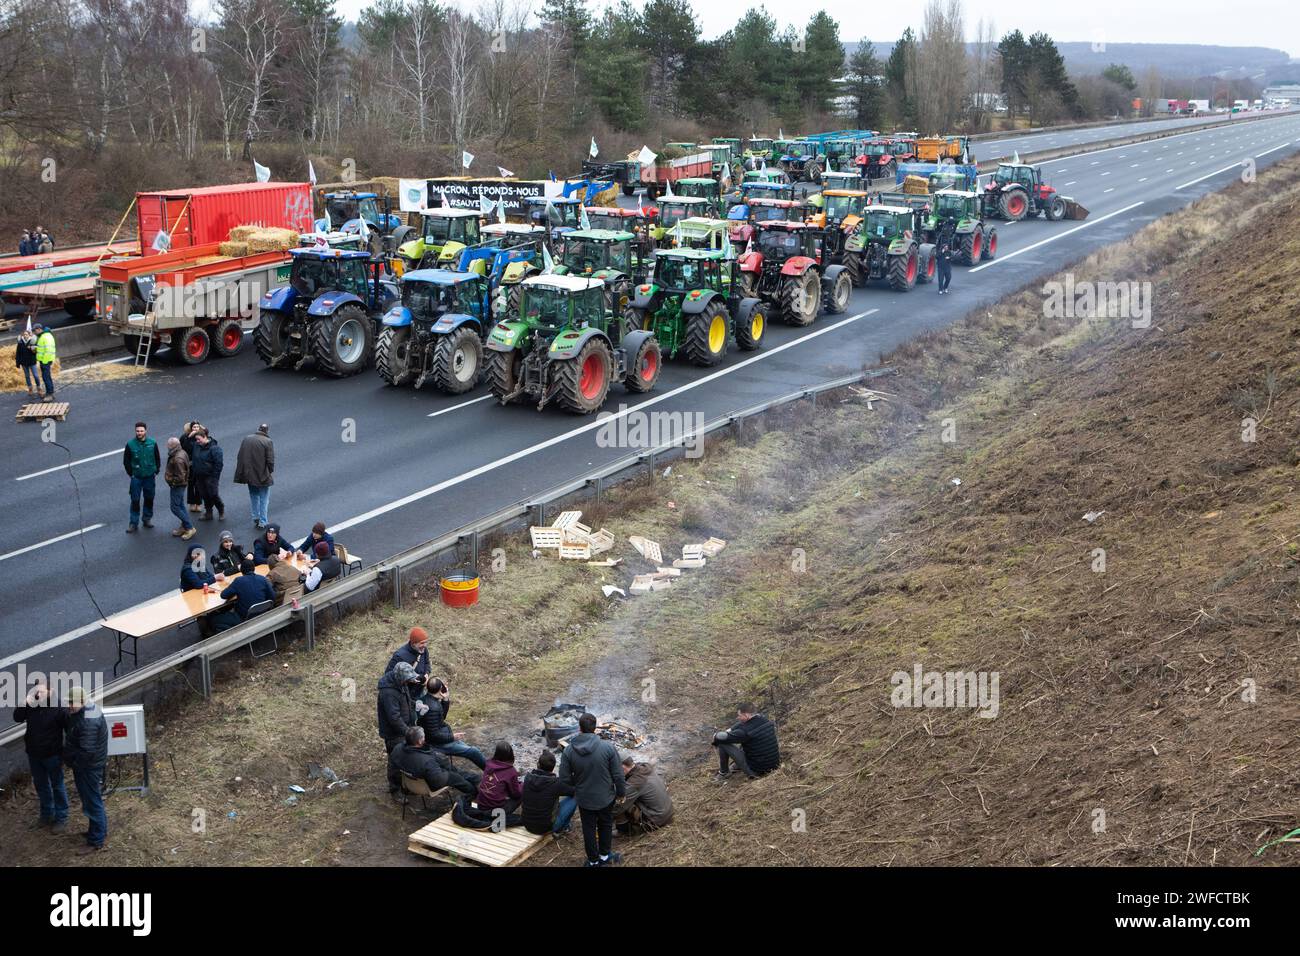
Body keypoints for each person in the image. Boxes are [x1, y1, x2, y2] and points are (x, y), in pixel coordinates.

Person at [558, 713, 626, 866]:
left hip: (584, 799)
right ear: (595, 728)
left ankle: (593, 861)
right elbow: (618, 775)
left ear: (579, 728)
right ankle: (604, 856)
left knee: (588, 828)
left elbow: (564, 779)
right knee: (605, 825)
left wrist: (578, 787)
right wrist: (621, 793)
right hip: (606, 797)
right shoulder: (608, 747)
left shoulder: (568, 751)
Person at [13, 680, 69, 833]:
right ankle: (46, 815)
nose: (38, 694)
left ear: (51, 691)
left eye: (41, 691)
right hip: (34, 754)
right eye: (36, 691)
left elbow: (70, 730)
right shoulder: (32, 705)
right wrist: (24, 703)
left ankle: (62, 817)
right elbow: (17, 717)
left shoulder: (59, 708)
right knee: (41, 786)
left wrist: (65, 753)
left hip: (52, 755)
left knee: (57, 786)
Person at [63, 686, 108, 854]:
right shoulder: (85, 712)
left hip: (88, 768)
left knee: (91, 801)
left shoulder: (88, 721)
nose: (69, 706)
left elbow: (86, 752)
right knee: (92, 799)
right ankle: (99, 831)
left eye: (71, 703)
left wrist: (74, 764)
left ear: (82, 701)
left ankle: (95, 840)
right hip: (88, 766)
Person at [387, 726, 480, 798]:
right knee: (455, 777)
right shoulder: (426, 761)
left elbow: (391, 767)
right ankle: (474, 793)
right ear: (419, 741)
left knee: (455, 771)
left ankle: (476, 779)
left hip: (410, 782)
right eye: (423, 736)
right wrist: (446, 771)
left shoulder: (397, 748)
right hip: (426, 785)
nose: (425, 738)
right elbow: (438, 781)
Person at [416, 677, 485, 769]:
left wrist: (445, 700)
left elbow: (440, 718)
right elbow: (433, 734)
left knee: (471, 750)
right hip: (437, 743)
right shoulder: (433, 707)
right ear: (441, 689)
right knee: (474, 752)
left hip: (441, 736)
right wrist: (453, 737)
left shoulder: (425, 699)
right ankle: (493, 774)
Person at [712, 702, 780, 779]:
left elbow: (722, 737)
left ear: (746, 715)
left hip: (757, 771)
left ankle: (724, 772)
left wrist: (715, 736)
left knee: (722, 742)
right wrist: (731, 729)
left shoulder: (744, 732)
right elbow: (741, 723)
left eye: (739, 716)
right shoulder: (764, 719)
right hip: (774, 765)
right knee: (749, 743)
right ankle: (736, 766)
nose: (738, 718)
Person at [521, 749, 577, 837]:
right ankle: (564, 827)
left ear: (538, 764)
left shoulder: (527, 778)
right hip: (545, 828)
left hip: (527, 824)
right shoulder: (555, 783)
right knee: (576, 797)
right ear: (553, 768)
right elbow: (573, 792)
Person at [615, 757, 673, 834]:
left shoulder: (635, 782)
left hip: (655, 821)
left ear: (623, 767)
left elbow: (617, 809)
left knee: (619, 804)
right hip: (667, 812)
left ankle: (625, 830)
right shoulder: (644, 768)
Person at [234, 423, 275, 529]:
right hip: (262, 475)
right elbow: (270, 461)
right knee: (264, 498)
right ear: (267, 431)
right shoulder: (268, 441)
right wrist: (269, 471)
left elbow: (240, 455)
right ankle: (263, 521)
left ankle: (255, 517)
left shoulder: (247, 439)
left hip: (249, 475)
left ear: (258, 429)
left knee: (253, 495)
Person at [122, 421, 160, 533]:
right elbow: (126, 461)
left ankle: (147, 519)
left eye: (141, 431)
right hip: (136, 478)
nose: (139, 433)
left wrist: (156, 470)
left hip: (149, 477)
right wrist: (132, 474)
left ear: (145, 431)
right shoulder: (130, 444)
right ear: (135, 431)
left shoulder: (152, 443)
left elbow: (157, 457)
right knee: (135, 500)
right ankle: (133, 523)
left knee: (149, 498)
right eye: (138, 431)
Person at [217, 558, 274, 626]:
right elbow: (272, 596)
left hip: (245, 618)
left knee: (215, 619)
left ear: (241, 570)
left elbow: (223, 595)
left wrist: (233, 589)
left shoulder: (238, 581)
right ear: (254, 569)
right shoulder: (262, 579)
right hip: (263, 614)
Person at [475, 741, 523, 817]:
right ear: (511, 754)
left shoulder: (488, 764)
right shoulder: (511, 771)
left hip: (480, 807)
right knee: (521, 795)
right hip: (496, 812)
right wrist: (521, 785)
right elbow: (515, 794)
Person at [164, 437, 196, 540]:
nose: (167, 447)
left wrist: (172, 482)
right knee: (181, 505)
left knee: (175, 507)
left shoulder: (177, 459)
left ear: (172, 446)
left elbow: (180, 476)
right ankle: (184, 526)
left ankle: (189, 527)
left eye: (168, 445)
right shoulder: (182, 452)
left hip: (178, 485)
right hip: (181, 484)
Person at [191, 428, 225, 521]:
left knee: (213, 494)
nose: (197, 442)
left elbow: (219, 464)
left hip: (210, 476)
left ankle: (221, 509)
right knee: (204, 494)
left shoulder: (214, 448)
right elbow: (186, 445)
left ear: (205, 437)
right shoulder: (196, 446)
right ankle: (208, 513)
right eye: (196, 439)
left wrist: (214, 477)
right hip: (199, 476)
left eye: (199, 439)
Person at [180, 422, 203, 514]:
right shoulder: (185, 437)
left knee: (199, 485)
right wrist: (189, 438)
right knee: (190, 484)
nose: (196, 428)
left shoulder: (202, 436)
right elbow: (184, 448)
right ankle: (191, 503)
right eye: (194, 427)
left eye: (197, 427)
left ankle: (198, 503)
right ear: (191, 428)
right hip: (189, 464)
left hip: (199, 464)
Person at [15, 326, 40, 398]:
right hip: (24, 363)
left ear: (29, 335)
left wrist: (32, 349)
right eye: (24, 334)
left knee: (36, 375)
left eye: (27, 334)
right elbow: (18, 353)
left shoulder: (32, 342)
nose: (25, 336)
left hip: (32, 362)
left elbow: (35, 352)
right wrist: (18, 363)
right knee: (27, 376)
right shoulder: (20, 343)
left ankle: (39, 388)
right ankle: (30, 389)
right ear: (23, 335)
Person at [35, 324, 56, 398]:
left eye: (35, 330)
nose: (35, 332)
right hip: (44, 360)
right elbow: (42, 349)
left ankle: (50, 394)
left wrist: (44, 362)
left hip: (45, 361)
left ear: (39, 329)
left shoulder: (45, 337)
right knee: (46, 377)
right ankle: (49, 392)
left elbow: (48, 351)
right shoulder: (44, 336)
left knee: (46, 377)